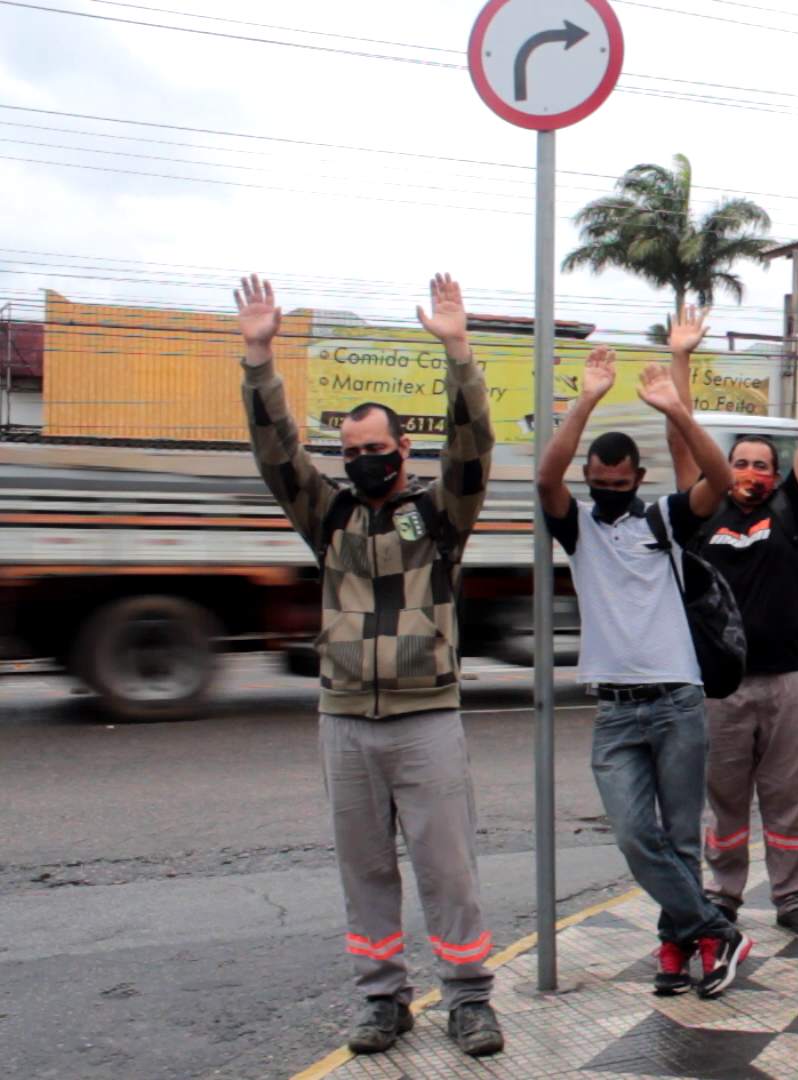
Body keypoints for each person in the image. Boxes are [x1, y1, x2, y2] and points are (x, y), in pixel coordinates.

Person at [235, 273, 504, 1058]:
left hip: (426, 718)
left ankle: (469, 1001)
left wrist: (459, 350)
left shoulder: (440, 517)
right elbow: (275, 452)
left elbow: (475, 444)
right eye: (351, 454)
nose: (363, 463)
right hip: (345, 720)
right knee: (364, 871)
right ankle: (384, 1001)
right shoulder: (330, 517)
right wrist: (259, 358)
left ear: (404, 450)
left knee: (447, 869)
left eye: (376, 452)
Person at [534, 346, 753, 999]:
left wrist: (677, 412)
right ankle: (715, 929)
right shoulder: (578, 530)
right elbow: (547, 477)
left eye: (618, 485)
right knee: (635, 836)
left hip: (677, 700)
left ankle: (677, 947)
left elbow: (719, 478)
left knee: (681, 839)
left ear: (637, 476)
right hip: (614, 709)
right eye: (597, 485)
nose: (607, 496)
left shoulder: (661, 520)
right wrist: (586, 400)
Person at [667, 304, 798, 938]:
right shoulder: (702, 512)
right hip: (720, 688)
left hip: (787, 679)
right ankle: (725, 893)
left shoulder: (791, 511)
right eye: (741, 463)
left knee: (789, 801)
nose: (752, 473)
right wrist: (681, 357)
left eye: (763, 464)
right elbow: (683, 442)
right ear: (726, 471)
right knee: (726, 803)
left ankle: (792, 898)